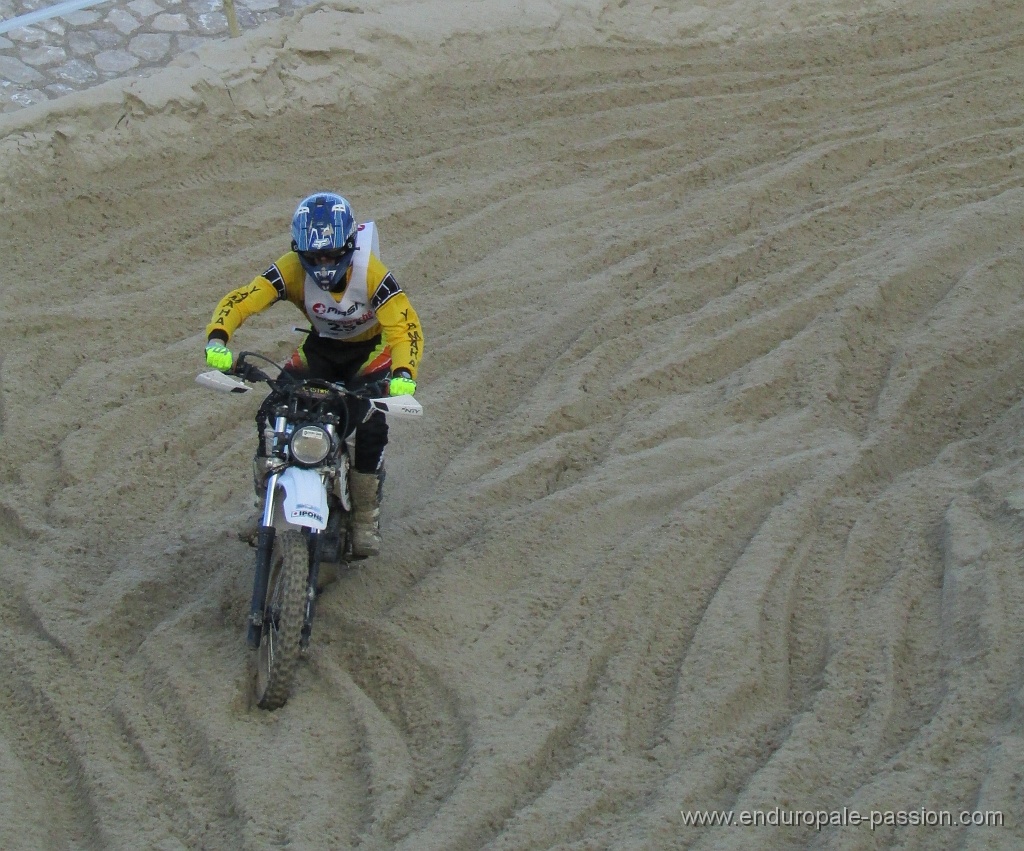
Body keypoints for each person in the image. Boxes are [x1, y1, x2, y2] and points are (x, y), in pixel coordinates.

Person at [203, 192, 423, 557]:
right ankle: (267, 504)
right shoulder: (290, 268)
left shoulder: (372, 274)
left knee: (370, 422)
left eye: (332, 255)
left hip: (370, 353)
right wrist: (218, 339)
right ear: (299, 251)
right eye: (314, 256)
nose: (323, 264)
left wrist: (403, 373)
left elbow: (405, 326)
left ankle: (365, 517)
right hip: (321, 349)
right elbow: (245, 298)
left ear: (349, 247)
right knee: (273, 409)